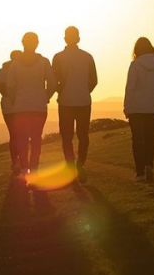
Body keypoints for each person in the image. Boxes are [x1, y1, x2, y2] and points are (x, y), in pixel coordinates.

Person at [123, 36, 154, 182]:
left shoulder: (135, 65)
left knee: (137, 140)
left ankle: (140, 172)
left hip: (136, 108)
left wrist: (126, 106)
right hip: (153, 107)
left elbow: (129, 89)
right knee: (150, 138)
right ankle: (149, 165)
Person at [52, 26, 97, 180]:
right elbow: (94, 80)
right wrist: (84, 90)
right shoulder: (87, 57)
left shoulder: (58, 57)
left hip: (66, 101)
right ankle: (80, 164)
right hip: (84, 101)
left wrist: (61, 90)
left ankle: (70, 165)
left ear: (65, 38)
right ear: (78, 38)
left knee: (66, 136)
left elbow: (54, 80)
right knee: (83, 135)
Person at [8, 32, 55, 178]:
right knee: (36, 139)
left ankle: (24, 168)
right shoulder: (44, 62)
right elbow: (53, 83)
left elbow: (9, 86)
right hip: (39, 106)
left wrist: (15, 99)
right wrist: (46, 96)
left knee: (21, 138)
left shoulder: (15, 63)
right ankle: (34, 168)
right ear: (37, 43)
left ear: (23, 43)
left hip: (21, 107)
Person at [0, 50, 21, 175]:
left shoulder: (3, 70)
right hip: (18, 105)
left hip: (8, 105)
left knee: (13, 134)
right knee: (20, 133)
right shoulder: (21, 68)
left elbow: (0, 87)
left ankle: (15, 161)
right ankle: (19, 160)